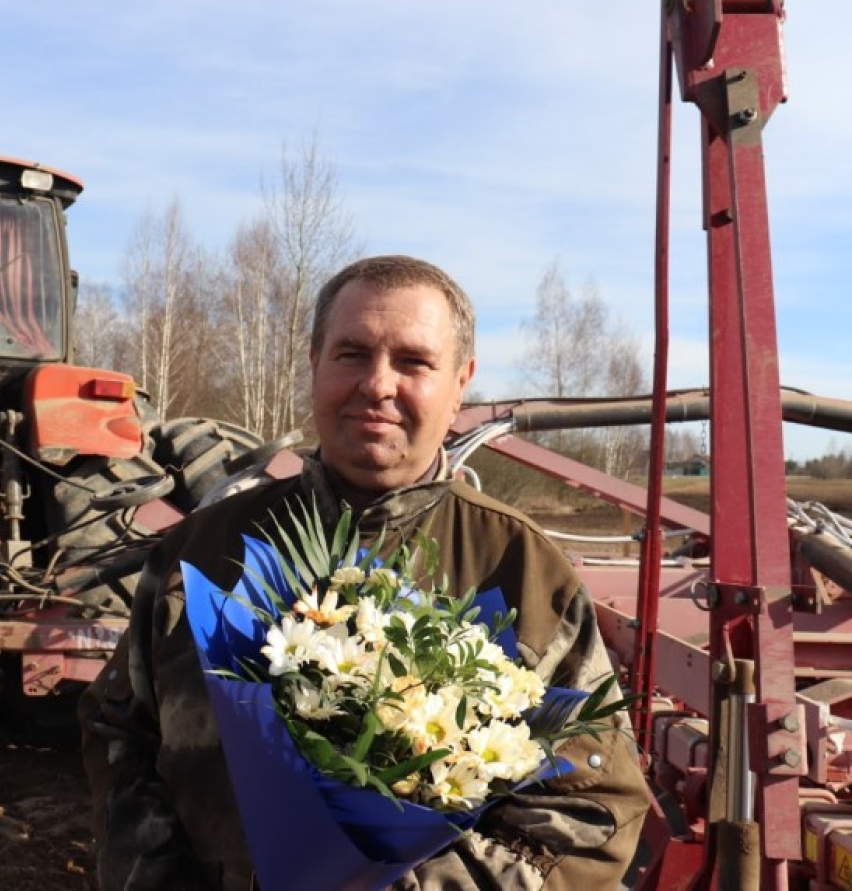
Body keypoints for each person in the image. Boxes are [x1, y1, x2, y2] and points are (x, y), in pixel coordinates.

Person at [78, 255, 650, 890]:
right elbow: (119, 734)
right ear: (314, 364)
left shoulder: (521, 569)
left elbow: (593, 803)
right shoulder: (201, 552)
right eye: (351, 354)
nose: (377, 385)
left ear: (461, 383)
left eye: (413, 362)